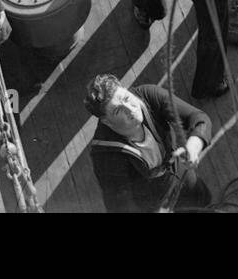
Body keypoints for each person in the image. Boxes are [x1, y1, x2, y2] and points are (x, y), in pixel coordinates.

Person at [85, 75, 211, 213]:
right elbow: (120, 206)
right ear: (106, 122)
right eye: (118, 110)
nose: (130, 109)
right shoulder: (105, 157)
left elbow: (199, 118)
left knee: (203, 202)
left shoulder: (148, 96)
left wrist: (193, 146)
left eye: (126, 98)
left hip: (182, 173)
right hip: (153, 201)